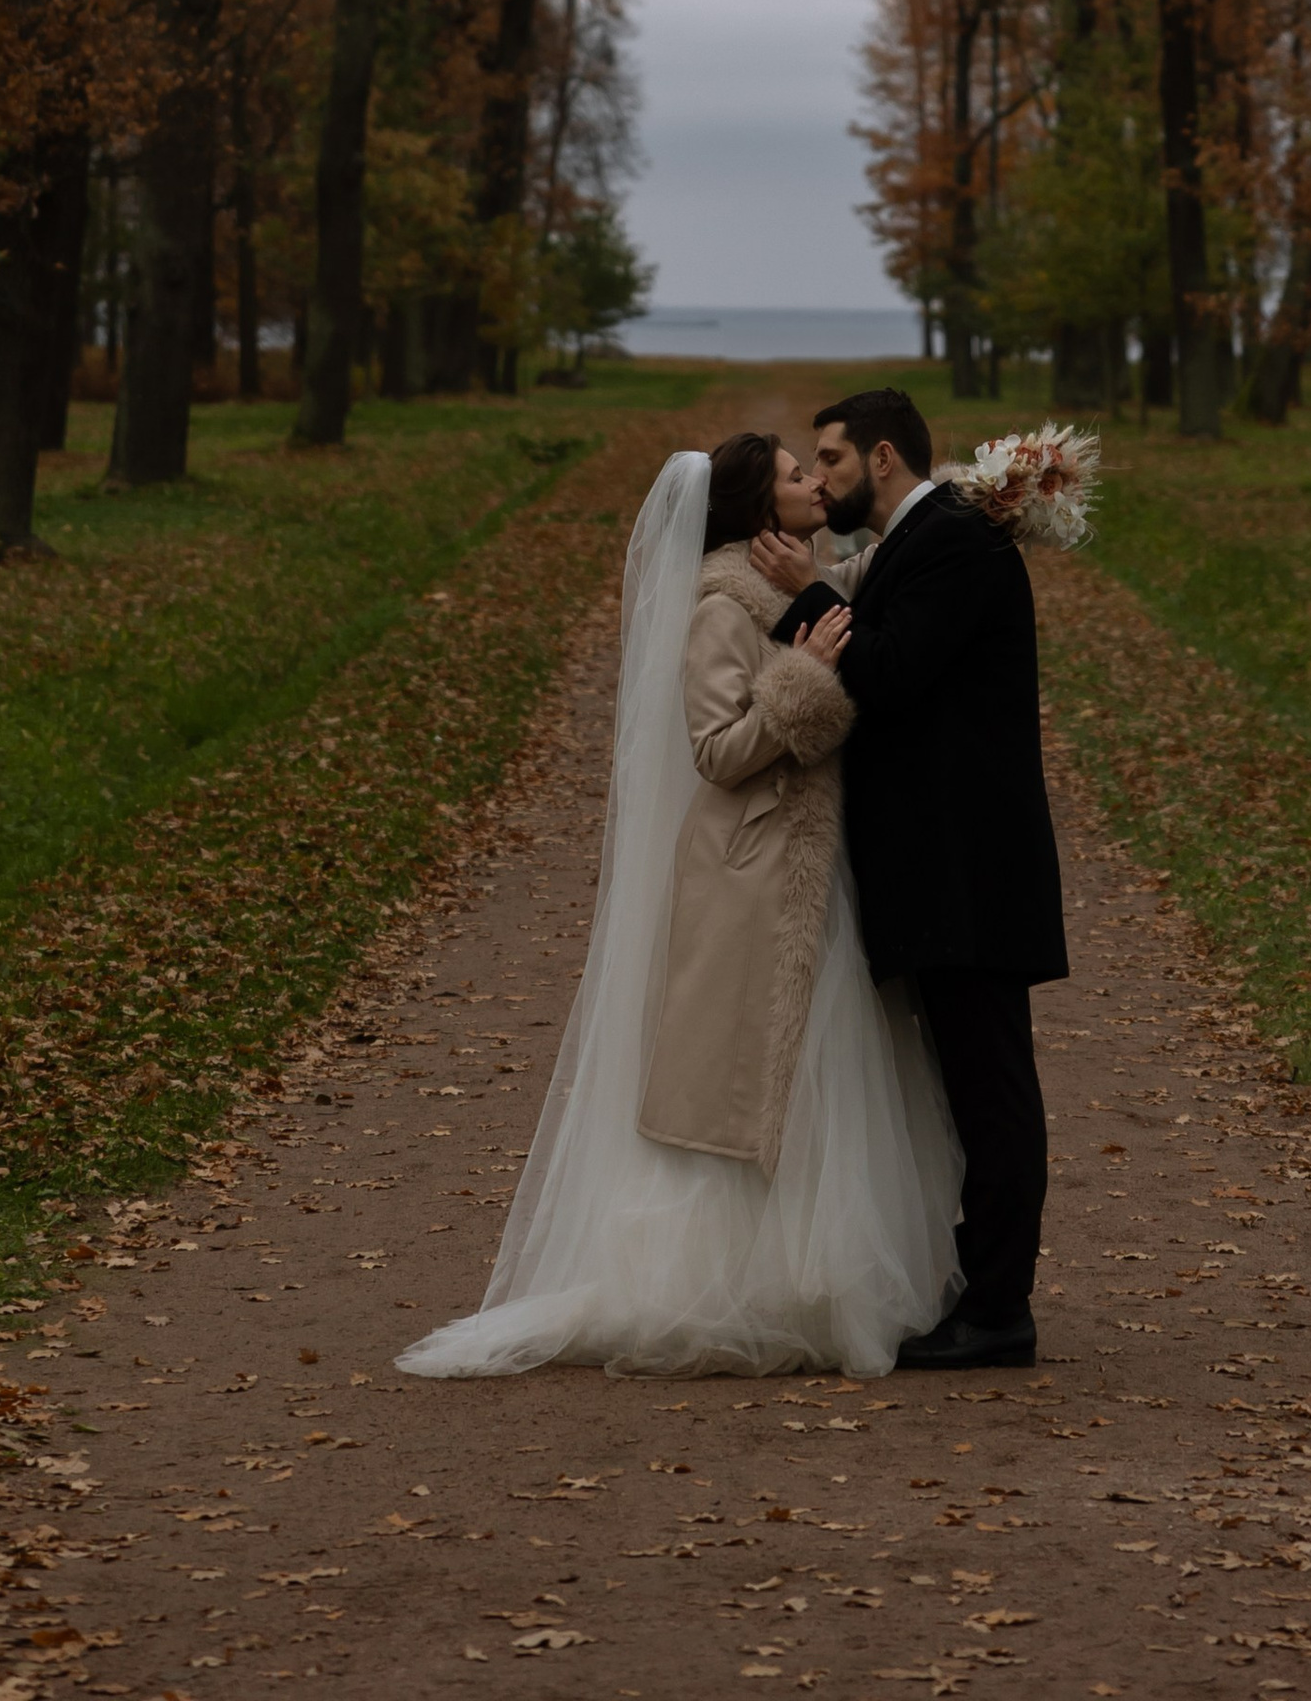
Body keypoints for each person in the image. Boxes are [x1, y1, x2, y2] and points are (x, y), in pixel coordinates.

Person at [397, 434, 959, 1378]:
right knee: (747, 1079)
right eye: (793, 475)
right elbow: (717, 749)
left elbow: (889, 562)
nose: (815, 482)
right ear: (755, 511)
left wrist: (991, 495)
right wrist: (808, 677)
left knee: (822, 1072)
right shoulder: (721, 604)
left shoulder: (793, 575)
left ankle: (813, 1279)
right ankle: (726, 1284)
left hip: (812, 866)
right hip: (752, 874)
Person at [757, 387, 1065, 1371]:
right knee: (969, 1086)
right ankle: (977, 1289)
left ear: (883, 458)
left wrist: (807, 593)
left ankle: (999, 1311)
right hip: (947, 871)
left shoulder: (956, 541)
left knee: (993, 1090)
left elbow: (887, 674)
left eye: (833, 461)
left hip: (969, 871)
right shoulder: (921, 542)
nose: (824, 479)